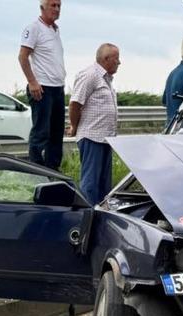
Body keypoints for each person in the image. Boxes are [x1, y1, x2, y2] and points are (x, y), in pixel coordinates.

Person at [68, 43, 120, 205]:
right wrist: (74, 126)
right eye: (116, 58)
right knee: (90, 183)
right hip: (92, 137)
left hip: (105, 138)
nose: (119, 62)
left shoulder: (106, 79)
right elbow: (75, 103)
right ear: (106, 59)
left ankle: (101, 214)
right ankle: (88, 213)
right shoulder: (90, 75)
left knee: (104, 185)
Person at [18, 0, 66, 171]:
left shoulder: (55, 30)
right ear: (42, 7)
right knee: (41, 132)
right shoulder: (34, 28)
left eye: (59, 6)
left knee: (56, 133)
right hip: (42, 87)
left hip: (58, 87)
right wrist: (32, 81)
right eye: (53, 5)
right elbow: (23, 56)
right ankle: (36, 170)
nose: (57, 9)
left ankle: (53, 170)